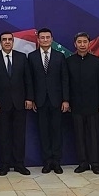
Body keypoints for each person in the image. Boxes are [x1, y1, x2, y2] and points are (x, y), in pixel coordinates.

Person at [0, 31, 34, 176]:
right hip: (1, 105)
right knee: (3, 136)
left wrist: (29, 98)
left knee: (19, 136)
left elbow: (28, 80)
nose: (7, 42)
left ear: (13, 41)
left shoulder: (22, 57)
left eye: (9, 39)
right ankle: (5, 165)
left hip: (20, 103)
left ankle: (19, 164)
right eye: (4, 40)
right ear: (0, 42)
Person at [29, 28, 70, 174]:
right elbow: (30, 80)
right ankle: (47, 161)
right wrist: (32, 99)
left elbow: (64, 79)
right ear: (38, 40)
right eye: (42, 37)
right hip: (40, 101)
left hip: (57, 101)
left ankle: (56, 161)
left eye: (48, 37)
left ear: (52, 39)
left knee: (56, 131)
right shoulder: (32, 56)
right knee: (44, 132)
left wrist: (66, 100)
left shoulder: (60, 56)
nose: (45, 40)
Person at [66, 32, 99, 175]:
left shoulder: (97, 61)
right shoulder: (69, 61)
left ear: (89, 43)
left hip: (93, 105)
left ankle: (95, 163)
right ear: (75, 44)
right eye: (79, 42)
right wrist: (67, 101)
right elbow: (66, 83)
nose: (82, 44)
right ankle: (83, 163)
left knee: (94, 136)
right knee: (79, 135)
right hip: (76, 105)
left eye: (85, 41)